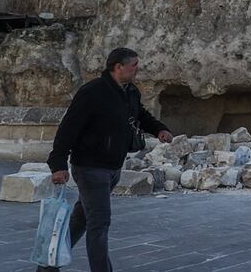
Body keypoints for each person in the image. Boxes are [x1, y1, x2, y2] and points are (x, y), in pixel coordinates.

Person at [39, 47, 173, 272]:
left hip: (113, 167)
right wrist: (58, 164)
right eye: (134, 66)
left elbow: (140, 115)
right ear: (118, 67)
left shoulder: (130, 91)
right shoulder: (92, 92)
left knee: (81, 220)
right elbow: (67, 129)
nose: (137, 70)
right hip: (90, 167)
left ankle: (48, 265)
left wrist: (159, 129)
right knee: (99, 224)